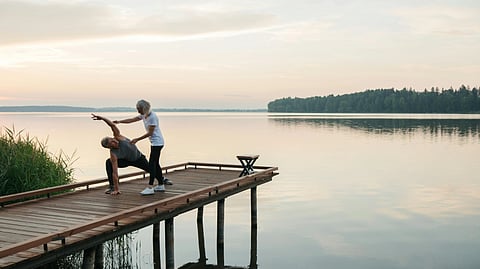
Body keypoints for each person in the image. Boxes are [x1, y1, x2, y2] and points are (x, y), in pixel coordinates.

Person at [91, 113, 166, 195]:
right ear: (109, 147)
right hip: (125, 161)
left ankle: (161, 180)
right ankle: (112, 186)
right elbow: (115, 173)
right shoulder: (113, 154)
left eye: (113, 140)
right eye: (112, 144)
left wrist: (102, 118)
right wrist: (117, 189)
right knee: (109, 162)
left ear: (113, 138)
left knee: (151, 168)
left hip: (138, 158)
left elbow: (112, 125)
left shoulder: (118, 137)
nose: (115, 142)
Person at [113, 99, 172, 196]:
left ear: (144, 108)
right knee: (155, 164)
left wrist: (137, 139)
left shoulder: (152, 117)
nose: (138, 111)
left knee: (152, 164)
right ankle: (161, 185)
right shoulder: (144, 115)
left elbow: (150, 133)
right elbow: (132, 120)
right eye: (137, 109)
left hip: (158, 143)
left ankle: (150, 187)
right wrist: (119, 121)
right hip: (154, 143)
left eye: (139, 109)